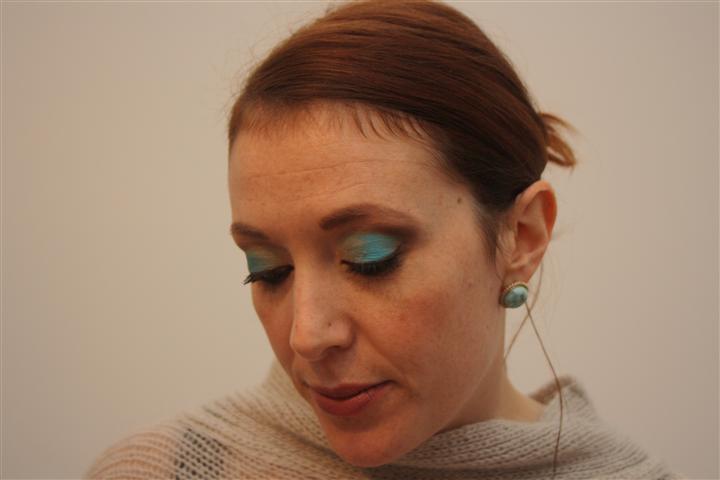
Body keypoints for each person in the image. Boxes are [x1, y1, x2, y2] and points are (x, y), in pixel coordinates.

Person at [85, 0, 682, 478]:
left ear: (521, 237)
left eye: (369, 258)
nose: (307, 336)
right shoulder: (165, 469)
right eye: (267, 268)